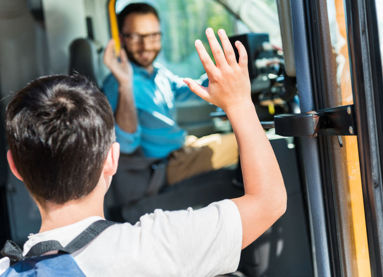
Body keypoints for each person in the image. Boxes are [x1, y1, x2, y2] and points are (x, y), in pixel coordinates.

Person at [0, 28, 286, 276]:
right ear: (113, 159)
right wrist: (238, 102)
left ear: (15, 167)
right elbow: (269, 202)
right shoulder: (156, 247)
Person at [103, 3, 238, 186]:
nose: (146, 46)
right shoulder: (118, 83)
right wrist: (125, 85)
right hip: (163, 167)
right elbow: (126, 146)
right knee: (249, 144)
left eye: (153, 36)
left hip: (183, 148)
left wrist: (223, 73)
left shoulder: (158, 74)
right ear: (121, 39)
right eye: (135, 37)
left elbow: (190, 89)